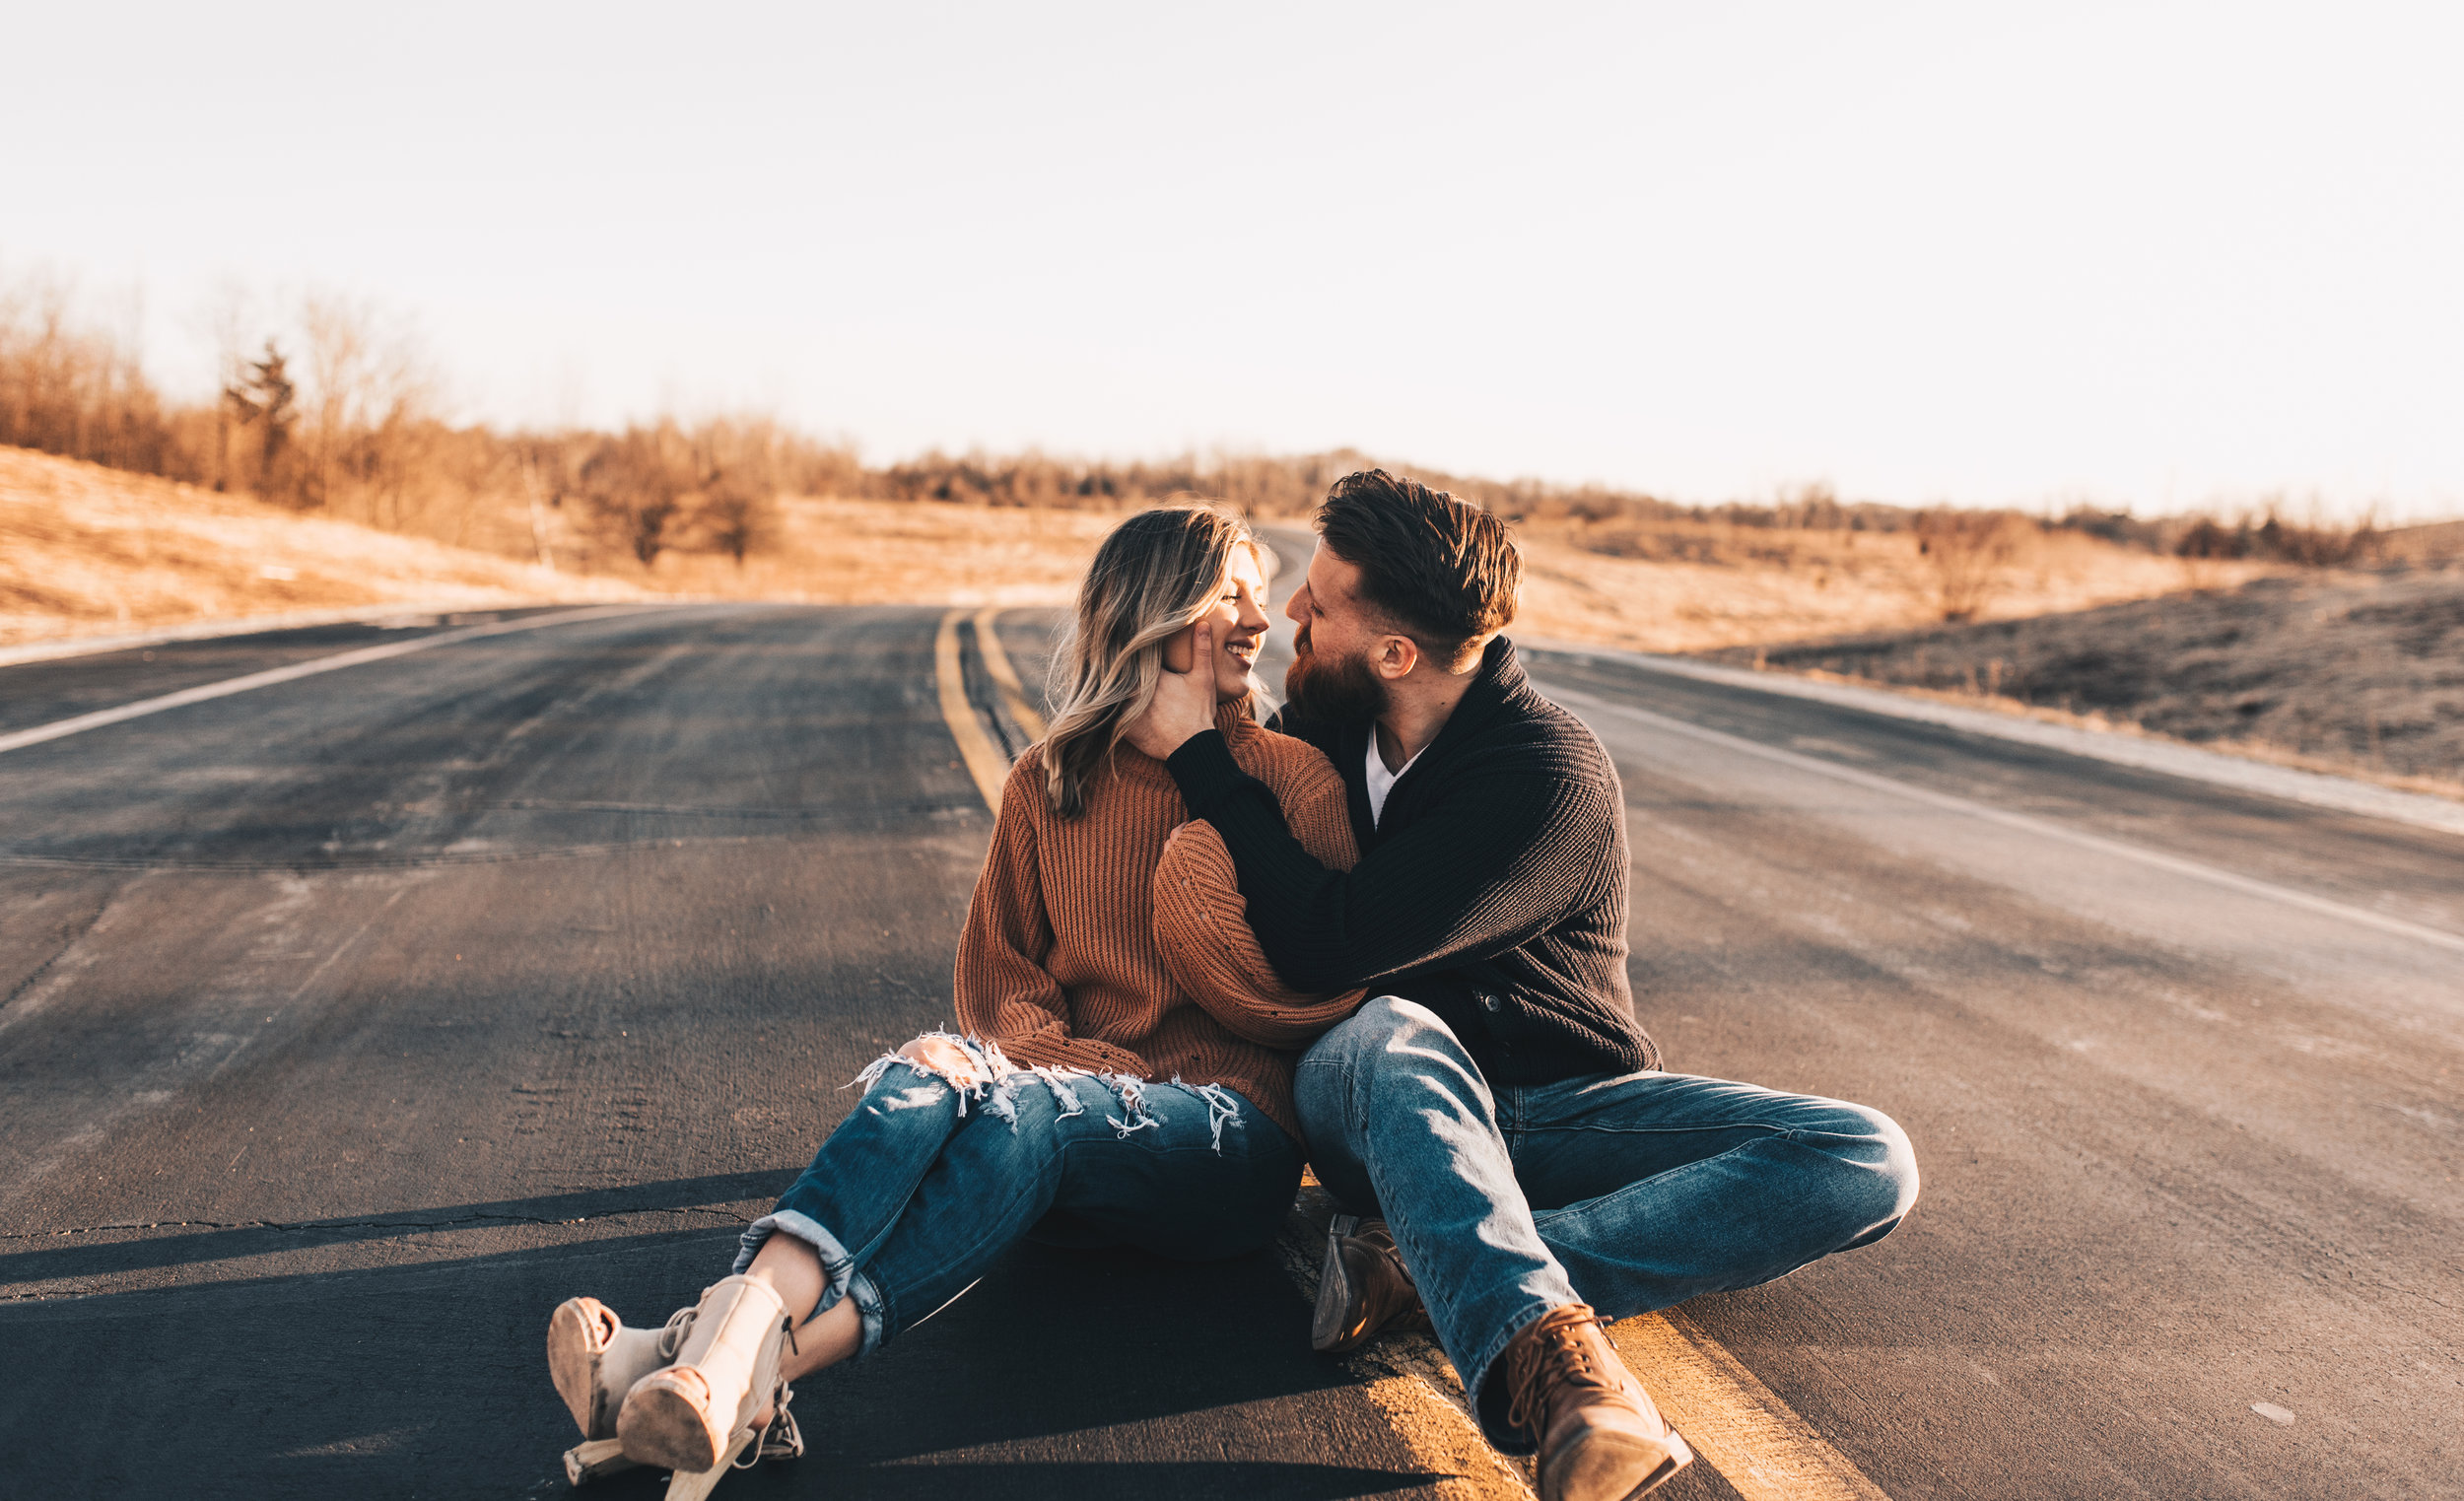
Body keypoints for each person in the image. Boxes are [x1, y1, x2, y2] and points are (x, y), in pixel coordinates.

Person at [1127, 470, 1922, 1501]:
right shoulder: (1318, 732)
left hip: (1560, 1112)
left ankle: (1434, 1264)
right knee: (1392, 1030)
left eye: (1317, 606)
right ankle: (1549, 1363)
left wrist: (1205, 762)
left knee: (1868, 1155)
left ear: (1396, 653)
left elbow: (1334, 942)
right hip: (1377, 1096)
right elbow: (1321, 959)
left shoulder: (1545, 774)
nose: (1291, 617)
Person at [543, 506, 1362, 1477]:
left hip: (1225, 1137)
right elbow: (1003, 982)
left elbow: (1318, 980)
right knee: (929, 1068)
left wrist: (1101, 1075)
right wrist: (1081, 1064)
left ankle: (715, 1356)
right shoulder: (1048, 781)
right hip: (1063, 1128)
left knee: (1027, 1106)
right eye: (1233, 594)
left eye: (1262, 600)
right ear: (1161, 608)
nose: (1258, 622)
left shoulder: (1291, 780)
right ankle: (728, 1355)